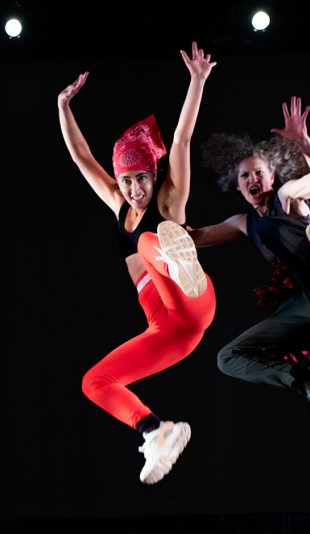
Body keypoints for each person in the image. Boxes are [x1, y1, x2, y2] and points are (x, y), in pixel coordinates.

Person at [57, 42, 217, 484]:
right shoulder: (117, 202)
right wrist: (62, 105)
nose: (132, 190)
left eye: (140, 179)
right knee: (94, 382)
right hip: (169, 331)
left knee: (149, 240)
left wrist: (197, 81)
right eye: (125, 181)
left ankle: (182, 263)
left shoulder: (169, 200)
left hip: (193, 300)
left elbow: (182, 139)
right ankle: (155, 430)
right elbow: (81, 157)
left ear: (153, 175)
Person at [191, 96, 310, 425]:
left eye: (259, 173)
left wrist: (306, 144)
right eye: (245, 177)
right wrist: (162, 224)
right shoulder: (243, 222)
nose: (253, 180)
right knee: (228, 359)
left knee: (297, 242)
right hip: (307, 305)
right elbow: (194, 238)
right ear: (237, 186)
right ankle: (309, 378)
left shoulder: (286, 196)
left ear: (272, 176)